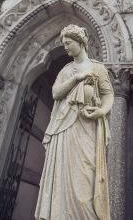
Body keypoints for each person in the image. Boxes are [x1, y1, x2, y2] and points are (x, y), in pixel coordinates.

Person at [35, 24, 113, 220]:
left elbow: (108, 95)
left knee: (86, 177)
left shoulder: (98, 68)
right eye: (64, 44)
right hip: (64, 128)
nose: (66, 48)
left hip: (87, 127)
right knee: (61, 177)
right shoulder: (66, 70)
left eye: (68, 43)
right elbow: (55, 93)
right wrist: (78, 78)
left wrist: (101, 111)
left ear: (80, 42)